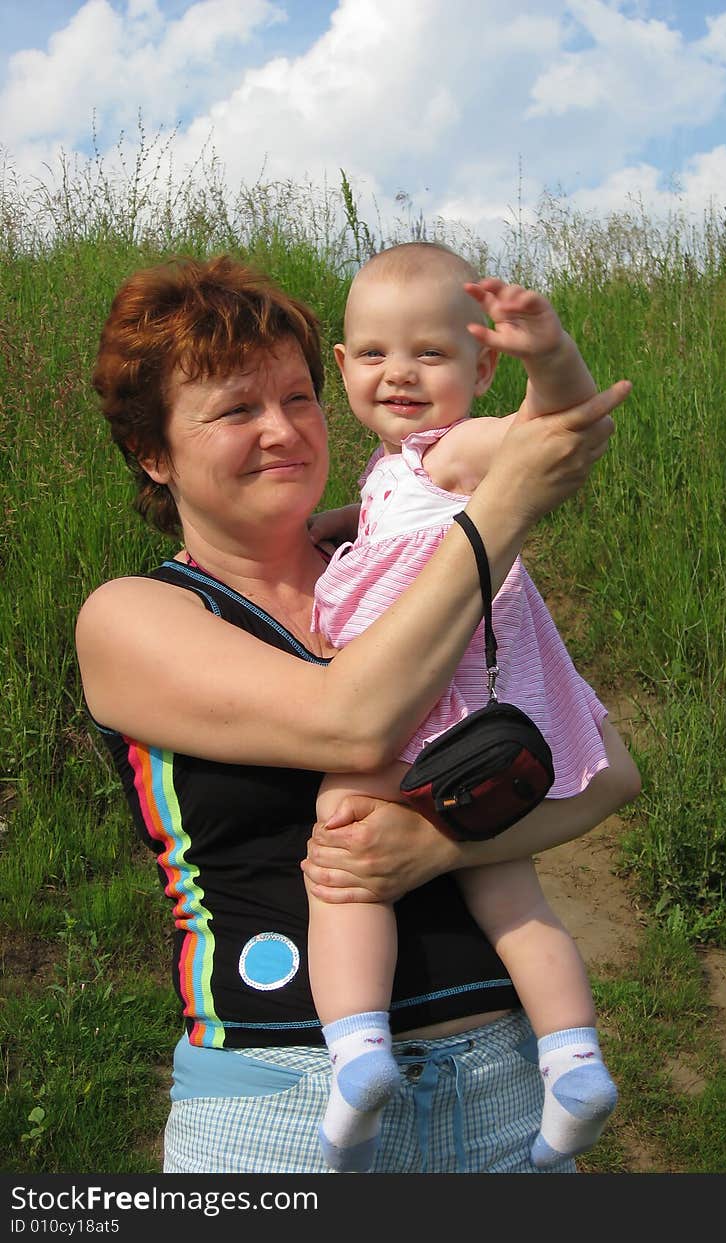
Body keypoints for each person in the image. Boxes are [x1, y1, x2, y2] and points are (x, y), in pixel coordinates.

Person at [75, 253, 640, 1175]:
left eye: (297, 398)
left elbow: (609, 770)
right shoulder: (136, 617)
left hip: (498, 1082)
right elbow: (351, 721)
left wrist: (447, 845)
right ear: (153, 452)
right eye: (234, 410)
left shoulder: (397, 565)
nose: (283, 431)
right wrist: (495, 514)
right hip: (282, 1105)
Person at [307, 242, 632, 1173]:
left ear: (481, 367)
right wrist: (345, 521)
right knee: (509, 883)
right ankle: (574, 1060)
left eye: (430, 355)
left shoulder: (452, 449)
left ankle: (358, 1051)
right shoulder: (397, 475)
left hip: (414, 697)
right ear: (343, 366)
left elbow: (556, 424)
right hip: (479, 710)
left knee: (344, 847)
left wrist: (549, 351)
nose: (398, 373)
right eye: (372, 353)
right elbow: (391, 519)